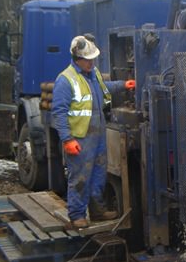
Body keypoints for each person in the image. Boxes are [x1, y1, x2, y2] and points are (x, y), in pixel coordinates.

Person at [51, 34, 135, 228]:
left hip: (98, 136)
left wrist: (124, 85)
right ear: (77, 58)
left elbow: (103, 89)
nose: (91, 62)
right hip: (80, 138)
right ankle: (77, 215)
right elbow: (59, 112)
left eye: (92, 59)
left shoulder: (93, 74)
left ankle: (97, 211)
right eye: (88, 59)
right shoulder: (65, 80)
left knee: (98, 175)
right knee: (80, 177)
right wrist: (67, 139)